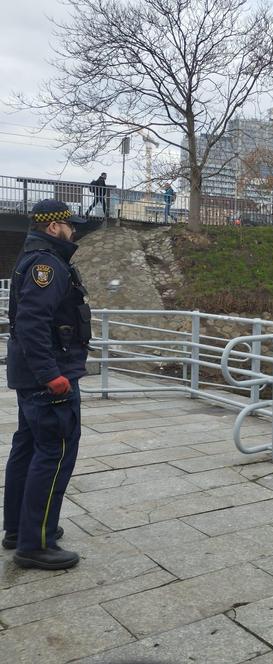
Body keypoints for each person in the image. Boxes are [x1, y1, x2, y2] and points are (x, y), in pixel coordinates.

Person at [2, 199, 91, 570]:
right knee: (54, 453)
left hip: (32, 375)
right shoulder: (47, 265)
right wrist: (51, 375)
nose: (73, 230)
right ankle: (36, 543)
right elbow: (32, 323)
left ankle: (19, 530)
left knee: (28, 447)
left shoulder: (36, 259)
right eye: (69, 224)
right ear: (54, 227)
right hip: (49, 377)